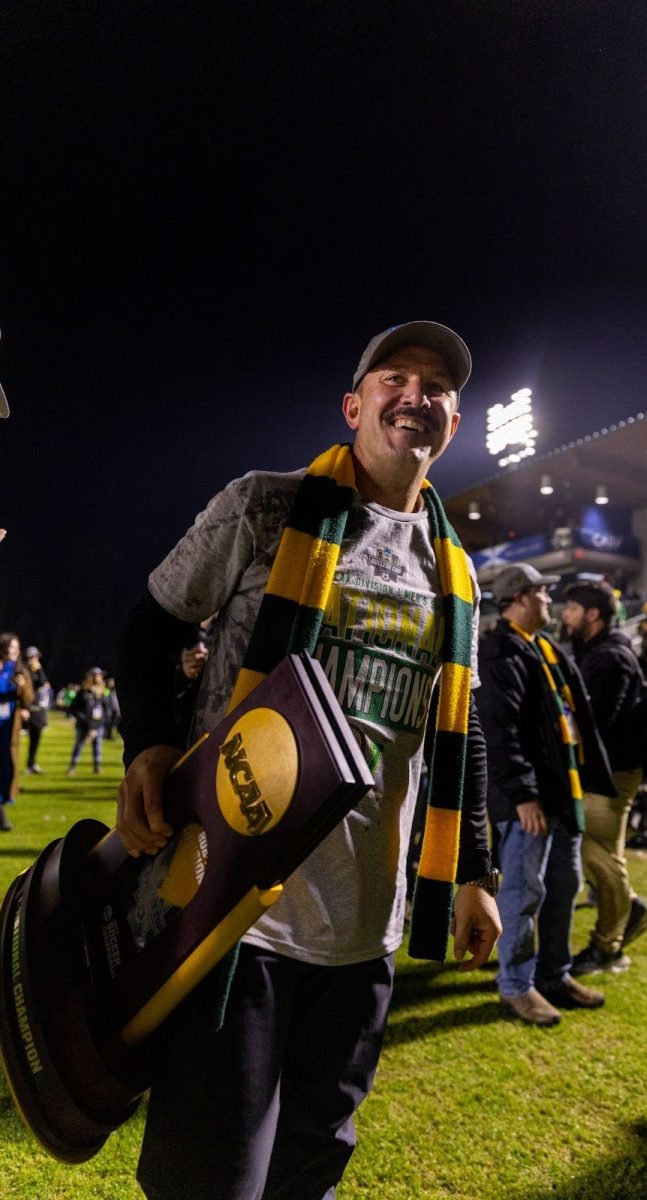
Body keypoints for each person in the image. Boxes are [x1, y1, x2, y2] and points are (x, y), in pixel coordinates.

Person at [115, 320, 501, 1200]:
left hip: (365, 933)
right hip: (238, 913)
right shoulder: (264, 504)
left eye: (436, 386)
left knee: (311, 1168)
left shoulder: (458, 573)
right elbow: (156, 622)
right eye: (394, 378)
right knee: (210, 1177)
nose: (416, 395)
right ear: (353, 404)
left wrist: (474, 870)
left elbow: (459, 731)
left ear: (453, 419)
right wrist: (152, 740)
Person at [477, 563, 615, 1026]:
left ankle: (554, 973)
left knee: (563, 887)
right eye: (540, 592)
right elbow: (500, 733)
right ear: (517, 598)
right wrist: (522, 794)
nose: (548, 600)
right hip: (529, 803)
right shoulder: (500, 652)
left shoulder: (543, 647)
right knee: (523, 892)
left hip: (560, 795)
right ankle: (516, 984)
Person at [560, 582, 647, 975]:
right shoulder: (597, 653)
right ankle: (627, 914)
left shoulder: (611, 658)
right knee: (604, 855)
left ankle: (608, 946)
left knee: (594, 853)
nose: (564, 615)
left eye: (571, 608)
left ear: (593, 615)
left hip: (610, 774)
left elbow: (595, 723)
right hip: (606, 771)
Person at [0, 632, 32, 831]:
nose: (15, 651)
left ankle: (3, 807)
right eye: (12, 647)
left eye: (17, 648)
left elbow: (29, 698)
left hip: (8, 729)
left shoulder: (19, 670)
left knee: (7, 768)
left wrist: (22, 688)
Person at [67, 667, 110, 775]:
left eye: (99, 676)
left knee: (97, 746)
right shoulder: (83, 691)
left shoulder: (102, 692)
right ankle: (72, 767)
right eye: (95, 676)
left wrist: (100, 696)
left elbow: (106, 710)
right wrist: (86, 722)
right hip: (83, 725)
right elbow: (74, 708)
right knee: (79, 745)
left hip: (98, 725)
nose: (97, 678)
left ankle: (97, 767)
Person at [23, 645, 52, 773]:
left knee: (36, 737)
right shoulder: (23, 670)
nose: (35, 660)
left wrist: (38, 670)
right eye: (32, 657)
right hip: (26, 708)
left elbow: (43, 683)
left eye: (35, 657)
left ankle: (31, 763)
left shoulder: (38, 670)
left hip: (38, 709)